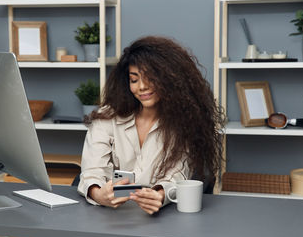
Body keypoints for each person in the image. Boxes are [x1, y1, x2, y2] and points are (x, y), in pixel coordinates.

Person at [77, 36, 224, 216]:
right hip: (109, 215)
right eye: (134, 79)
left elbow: (176, 175)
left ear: (171, 79)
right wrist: (99, 194)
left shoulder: (184, 122)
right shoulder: (107, 117)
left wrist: (160, 195)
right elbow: (92, 170)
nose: (142, 87)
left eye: (150, 77)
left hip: (159, 218)